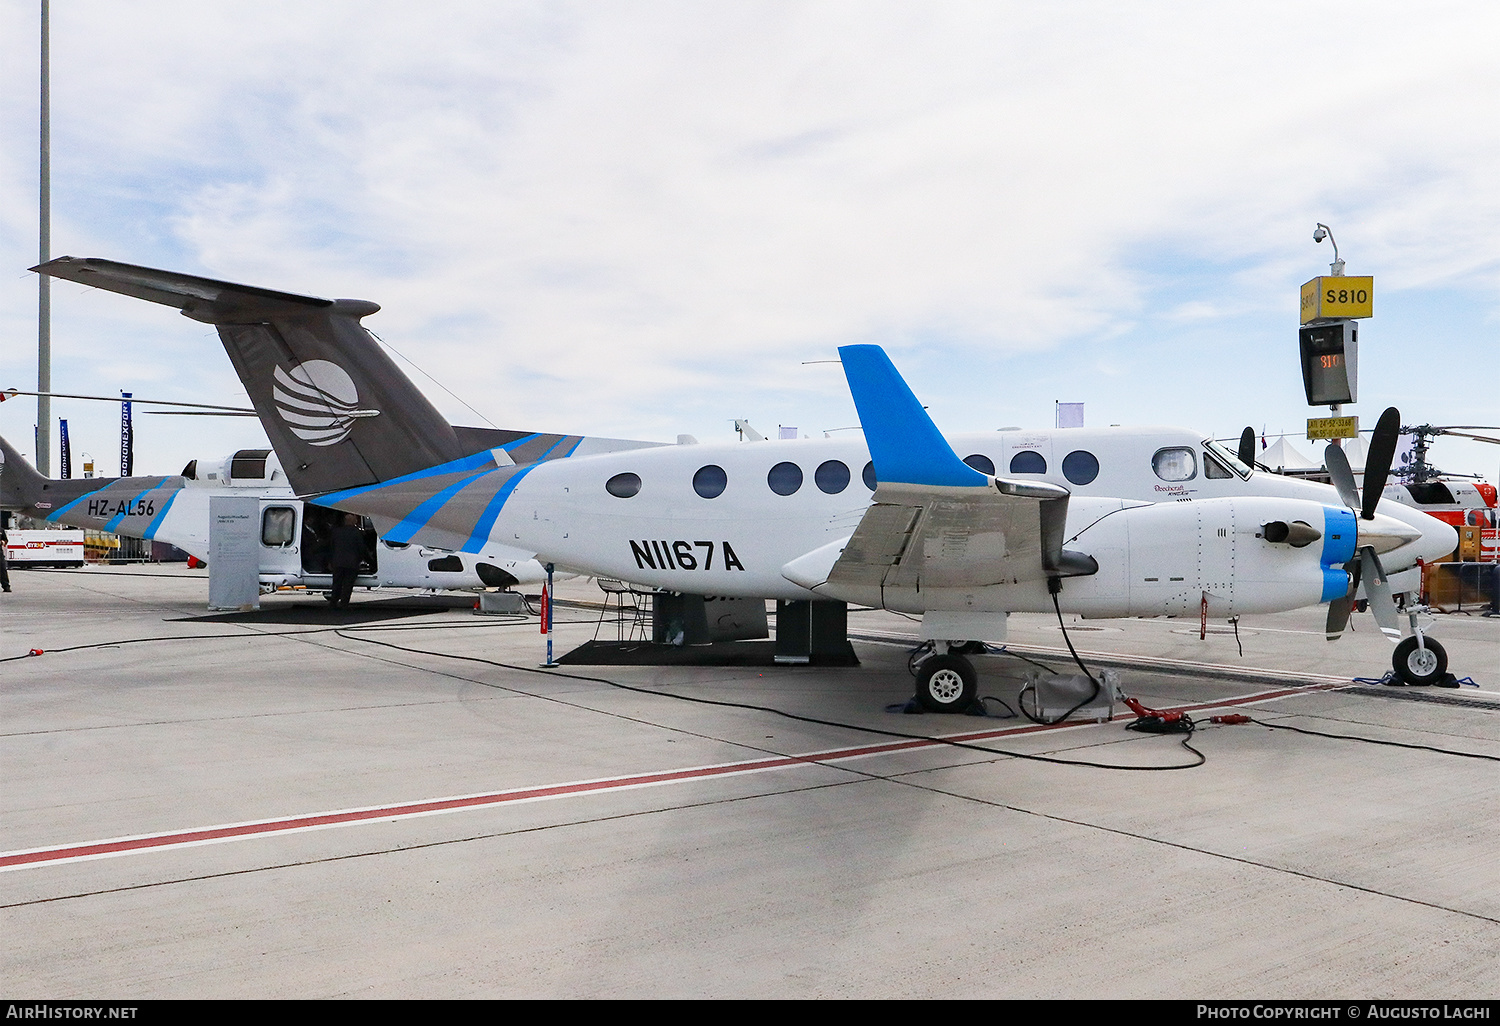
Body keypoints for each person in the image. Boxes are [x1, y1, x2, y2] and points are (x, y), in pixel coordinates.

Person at [327, 513, 365, 608]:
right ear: (353, 521)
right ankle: (344, 603)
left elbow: (331, 547)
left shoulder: (336, 531)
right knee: (347, 585)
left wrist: (330, 561)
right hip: (351, 563)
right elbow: (362, 548)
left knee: (336, 583)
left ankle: (333, 602)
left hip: (338, 562)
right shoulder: (356, 532)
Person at [0, 511, 11, 593]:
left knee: (2, 569)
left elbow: (6, 540)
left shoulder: (1, 530)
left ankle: (6, 586)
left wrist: (3, 542)